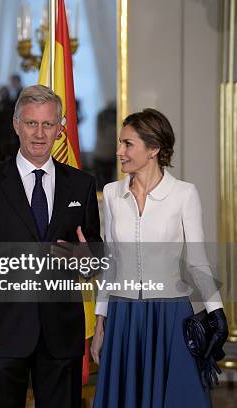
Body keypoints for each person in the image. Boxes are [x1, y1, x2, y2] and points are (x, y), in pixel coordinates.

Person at [0, 84, 102, 408]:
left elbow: (94, 252)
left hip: (61, 336)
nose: (39, 134)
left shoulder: (81, 184)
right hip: (0, 335)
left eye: (48, 124)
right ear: (16, 125)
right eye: (32, 123)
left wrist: (88, 258)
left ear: (60, 129)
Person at [91, 108, 228, 407]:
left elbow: (198, 260)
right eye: (120, 143)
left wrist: (217, 311)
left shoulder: (184, 194)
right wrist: (100, 321)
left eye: (128, 144)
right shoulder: (112, 194)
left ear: (153, 149)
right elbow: (110, 263)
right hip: (123, 316)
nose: (119, 151)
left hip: (171, 317)